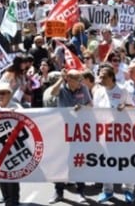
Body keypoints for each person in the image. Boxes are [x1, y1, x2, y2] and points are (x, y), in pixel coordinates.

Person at [93, 66, 135, 204]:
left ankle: (129, 190)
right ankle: (107, 191)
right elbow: (94, 111)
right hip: (105, 133)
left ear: (111, 77)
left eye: (103, 77)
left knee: (125, 161)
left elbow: (133, 107)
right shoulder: (98, 92)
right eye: (99, 76)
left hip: (121, 133)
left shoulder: (123, 90)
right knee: (106, 161)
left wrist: (125, 107)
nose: (100, 79)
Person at [49, 69, 92, 204]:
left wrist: (82, 107)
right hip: (63, 130)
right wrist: (61, 79)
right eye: (77, 80)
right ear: (69, 80)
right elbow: (52, 93)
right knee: (61, 162)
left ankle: (81, 191)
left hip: (78, 131)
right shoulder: (61, 89)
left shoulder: (83, 88)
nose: (80, 83)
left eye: (80, 80)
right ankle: (58, 192)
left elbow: (90, 104)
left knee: (78, 160)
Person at [0, 84, 23, 206]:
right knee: (1, 175)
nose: (0, 95)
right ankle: (6, 198)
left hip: (13, 147)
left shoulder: (16, 107)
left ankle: (14, 200)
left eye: (4, 93)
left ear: (9, 94)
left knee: (12, 174)